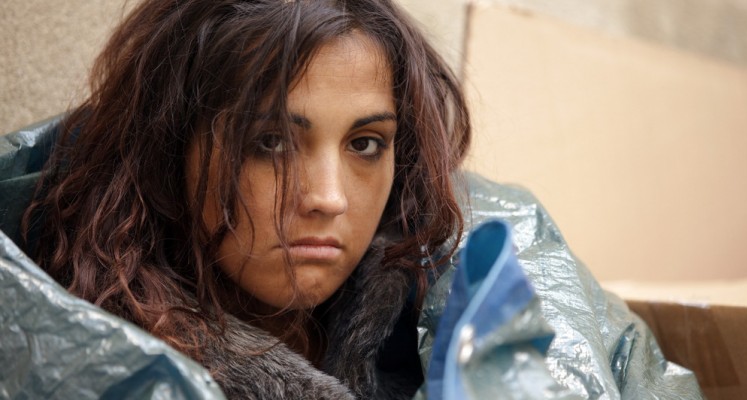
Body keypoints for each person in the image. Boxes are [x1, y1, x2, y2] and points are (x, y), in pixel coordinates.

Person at [20, 0, 469, 399]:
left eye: (365, 144)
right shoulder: (77, 362)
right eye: (271, 142)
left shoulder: (440, 332)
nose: (329, 199)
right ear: (167, 152)